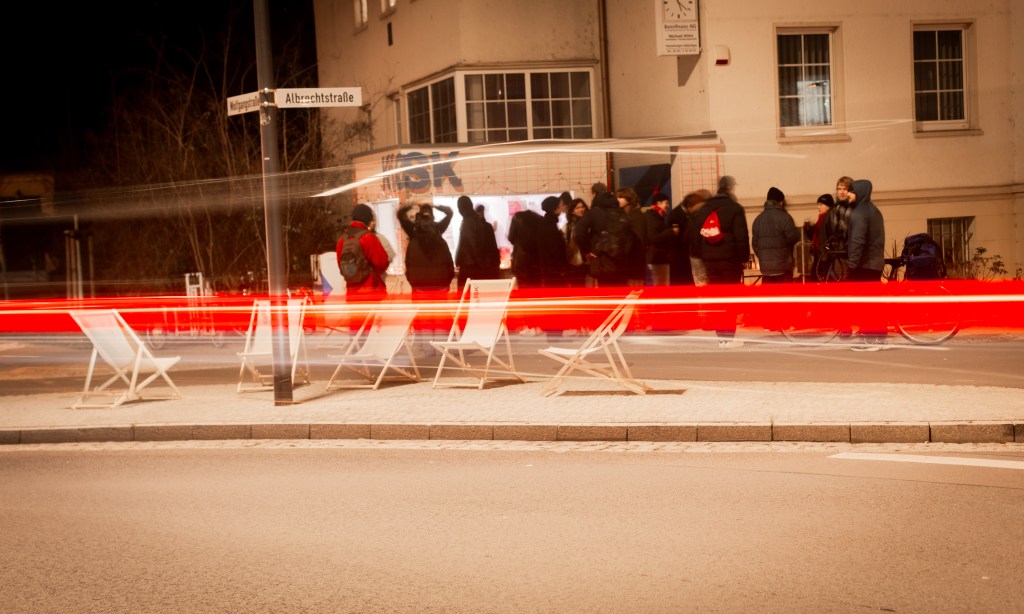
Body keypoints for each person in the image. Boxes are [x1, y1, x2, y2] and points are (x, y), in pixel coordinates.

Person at [690, 176, 749, 347]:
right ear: (730, 189)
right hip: (729, 260)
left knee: (717, 297)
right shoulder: (734, 208)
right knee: (729, 297)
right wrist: (744, 258)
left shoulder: (704, 209)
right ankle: (728, 337)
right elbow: (741, 236)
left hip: (710, 260)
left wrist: (700, 256)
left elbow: (695, 236)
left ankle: (720, 336)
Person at [844, 178, 888, 351]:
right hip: (874, 262)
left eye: (851, 191)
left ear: (860, 193)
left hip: (864, 263)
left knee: (865, 304)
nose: (848, 194)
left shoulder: (859, 213)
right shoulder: (874, 211)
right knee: (873, 303)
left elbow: (857, 241)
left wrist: (852, 265)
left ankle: (869, 338)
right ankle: (879, 336)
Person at [334, 203, 391, 329]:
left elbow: (340, 265)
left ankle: (356, 349)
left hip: (352, 292)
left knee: (356, 328)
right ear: (367, 219)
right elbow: (381, 262)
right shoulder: (368, 237)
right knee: (372, 330)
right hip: (371, 290)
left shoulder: (343, 239)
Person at [574, 191, 634, 288]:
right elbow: (630, 237)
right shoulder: (622, 213)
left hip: (602, 261)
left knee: (606, 293)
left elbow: (579, 232)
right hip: (621, 262)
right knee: (620, 295)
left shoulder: (594, 212)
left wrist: (586, 251)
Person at [507, 196, 567, 289]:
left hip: (521, 262)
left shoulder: (517, 218)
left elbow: (511, 238)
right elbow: (552, 248)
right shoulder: (541, 221)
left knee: (525, 291)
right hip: (538, 264)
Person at [751, 187, 800, 283]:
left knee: (769, 297)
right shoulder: (785, 218)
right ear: (781, 202)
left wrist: (764, 258)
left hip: (766, 270)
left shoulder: (758, 220)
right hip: (783, 269)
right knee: (784, 296)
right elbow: (794, 237)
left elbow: (755, 245)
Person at [455, 195, 500, 290]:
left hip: (470, 266)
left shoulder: (468, 221)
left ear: (461, 208)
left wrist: (482, 266)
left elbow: (473, 245)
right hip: (477, 266)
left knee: (466, 296)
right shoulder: (479, 222)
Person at [615, 187, 648, 287]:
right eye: (616, 197)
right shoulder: (627, 215)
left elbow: (638, 240)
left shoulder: (636, 216)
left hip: (634, 263)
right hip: (631, 263)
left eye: (621, 197)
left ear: (629, 199)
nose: (617, 199)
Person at [644, 192, 676, 286]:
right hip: (655, 258)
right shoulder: (652, 217)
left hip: (660, 257)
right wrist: (671, 232)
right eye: (666, 203)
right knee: (658, 287)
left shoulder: (659, 216)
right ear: (658, 203)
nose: (668, 206)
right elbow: (653, 237)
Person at [803, 193, 835, 278]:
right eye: (818, 205)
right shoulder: (822, 218)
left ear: (828, 206)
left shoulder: (828, 219)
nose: (818, 207)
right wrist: (808, 228)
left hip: (824, 257)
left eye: (821, 205)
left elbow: (824, 238)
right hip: (821, 255)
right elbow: (816, 237)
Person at [564, 197, 590, 287]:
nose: (581, 209)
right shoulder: (568, 227)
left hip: (588, 261)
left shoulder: (590, 223)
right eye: (577, 208)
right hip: (574, 261)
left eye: (582, 207)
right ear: (572, 211)